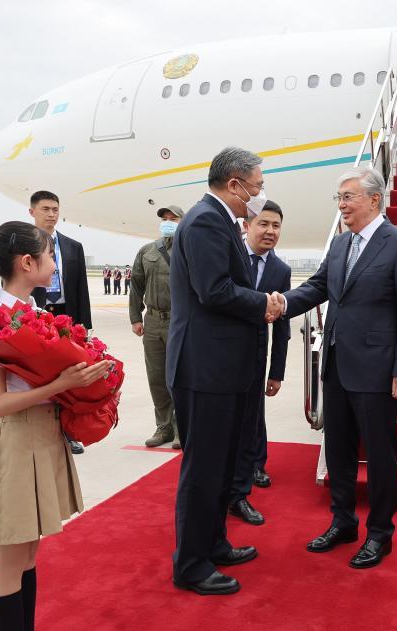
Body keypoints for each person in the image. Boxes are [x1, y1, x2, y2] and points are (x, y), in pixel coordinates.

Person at [0, 221, 110, 631]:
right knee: (11, 559)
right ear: (27, 263)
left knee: (27, 555)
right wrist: (62, 385)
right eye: (49, 256)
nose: (55, 264)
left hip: (42, 433)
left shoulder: (33, 312)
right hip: (17, 438)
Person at [277, 166, 397, 569]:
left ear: (374, 199)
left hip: (377, 371)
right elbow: (318, 287)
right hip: (337, 365)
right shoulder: (341, 243)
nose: (341, 205)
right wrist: (282, 304)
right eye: (339, 198)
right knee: (339, 452)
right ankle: (342, 522)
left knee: (379, 456)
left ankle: (380, 534)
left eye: (348, 197)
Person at [166, 146, 283, 596]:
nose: (259, 194)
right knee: (203, 469)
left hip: (221, 368)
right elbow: (213, 290)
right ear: (234, 185)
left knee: (221, 464)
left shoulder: (219, 221)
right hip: (204, 369)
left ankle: (213, 543)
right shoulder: (204, 221)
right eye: (256, 186)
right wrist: (263, 303)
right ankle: (191, 565)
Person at [228, 201, 291, 525]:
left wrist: (276, 372)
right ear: (247, 226)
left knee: (252, 420)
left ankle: (248, 478)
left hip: (255, 357)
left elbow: (282, 327)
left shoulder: (281, 270)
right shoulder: (228, 257)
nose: (270, 231)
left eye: (276, 226)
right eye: (263, 224)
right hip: (222, 357)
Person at [29, 190, 92, 455]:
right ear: (32, 212)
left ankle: (70, 433)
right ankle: (39, 431)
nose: (51, 214)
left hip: (66, 316)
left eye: (55, 209)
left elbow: (81, 288)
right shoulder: (22, 245)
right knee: (38, 376)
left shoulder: (72, 246)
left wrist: (85, 325)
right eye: (45, 209)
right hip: (35, 317)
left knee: (70, 376)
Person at [129, 205, 184, 450]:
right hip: (152, 321)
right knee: (156, 377)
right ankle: (164, 426)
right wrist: (135, 318)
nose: (168, 222)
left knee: (179, 377)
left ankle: (182, 427)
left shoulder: (189, 249)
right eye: (164, 218)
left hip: (179, 321)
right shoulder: (147, 251)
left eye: (173, 218)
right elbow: (136, 285)